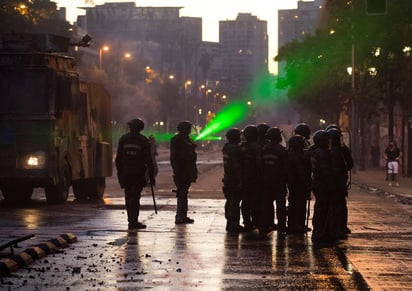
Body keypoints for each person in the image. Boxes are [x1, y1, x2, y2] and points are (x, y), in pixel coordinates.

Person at [115, 118, 155, 230]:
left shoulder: (123, 139)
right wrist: (151, 175)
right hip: (138, 173)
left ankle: (130, 220)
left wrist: (120, 172)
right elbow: (148, 160)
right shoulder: (143, 140)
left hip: (126, 173)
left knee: (128, 196)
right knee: (135, 196)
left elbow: (118, 159)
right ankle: (134, 221)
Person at [260, 127, 288, 235]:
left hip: (267, 181)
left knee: (267, 204)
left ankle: (266, 225)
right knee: (280, 204)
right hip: (279, 181)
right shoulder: (281, 150)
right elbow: (285, 166)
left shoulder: (264, 149)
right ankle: (282, 226)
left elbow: (261, 165)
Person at [310, 130, 335, 244]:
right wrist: (330, 184)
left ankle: (319, 232)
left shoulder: (315, 152)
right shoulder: (324, 153)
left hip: (317, 183)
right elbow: (326, 171)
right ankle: (320, 233)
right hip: (324, 184)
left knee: (320, 208)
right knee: (323, 209)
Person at [170, 121, 198, 224]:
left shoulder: (187, 139)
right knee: (181, 193)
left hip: (188, 169)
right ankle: (179, 216)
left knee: (184, 193)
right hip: (181, 169)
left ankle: (183, 215)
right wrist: (177, 170)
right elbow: (174, 157)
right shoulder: (177, 139)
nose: (190, 129)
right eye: (188, 127)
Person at [327, 128, 350, 238]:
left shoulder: (328, 151)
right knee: (340, 205)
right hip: (339, 183)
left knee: (333, 205)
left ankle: (334, 227)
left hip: (332, 183)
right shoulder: (342, 151)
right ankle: (340, 227)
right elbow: (350, 165)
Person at [287, 134, 312, 234]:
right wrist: (307, 184)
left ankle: (294, 224)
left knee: (295, 204)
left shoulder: (292, 154)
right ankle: (297, 225)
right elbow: (301, 172)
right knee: (299, 205)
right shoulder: (297, 156)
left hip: (294, 184)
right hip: (298, 184)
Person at [240, 125, 263, 231]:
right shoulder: (256, 147)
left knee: (245, 201)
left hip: (244, 177)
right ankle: (256, 221)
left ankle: (247, 221)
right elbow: (259, 163)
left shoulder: (242, 147)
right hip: (254, 177)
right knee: (255, 201)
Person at [222, 128, 244, 233]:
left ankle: (229, 222)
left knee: (229, 200)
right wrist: (240, 181)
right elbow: (237, 167)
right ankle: (234, 224)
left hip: (227, 178)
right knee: (235, 202)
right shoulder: (235, 150)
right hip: (234, 179)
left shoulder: (226, 147)